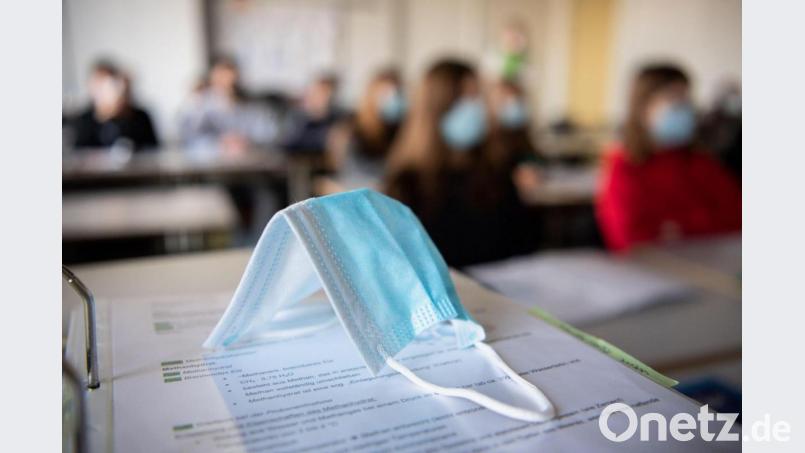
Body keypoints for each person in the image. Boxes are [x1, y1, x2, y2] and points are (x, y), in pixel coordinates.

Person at [383, 59, 533, 267]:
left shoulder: (495, 172)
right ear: (437, 106)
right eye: (464, 97)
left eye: (476, 96)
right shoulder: (405, 183)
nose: (474, 107)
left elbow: (520, 241)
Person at [595, 63, 741, 252]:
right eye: (674, 100)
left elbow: (738, 217)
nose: (686, 109)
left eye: (687, 100)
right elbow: (629, 240)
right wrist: (704, 223)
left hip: (711, 264)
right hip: (651, 274)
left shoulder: (701, 162)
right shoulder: (625, 165)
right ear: (643, 107)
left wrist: (680, 228)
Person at [179, 55, 277, 154]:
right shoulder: (200, 105)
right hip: (212, 161)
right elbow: (189, 139)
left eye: (228, 75)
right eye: (220, 75)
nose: (225, 81)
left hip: (247, 158)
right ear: (211, 77)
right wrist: (219, 142)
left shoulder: (250, 105)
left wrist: (245, 140)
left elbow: (267, 134)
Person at [328, 68, 406, 184]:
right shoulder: (352, 129)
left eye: (397, 93)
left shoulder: (403, 128)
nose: (392, 99)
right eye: (386, 94)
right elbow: (351, 173)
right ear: (372, 95)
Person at [71, 60, 159, 151]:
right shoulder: (83, 120)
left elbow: (152, 153)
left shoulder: (140, 117)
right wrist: (103, 116)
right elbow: (78, 155)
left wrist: (124, 115)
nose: (102, 91)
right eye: (98, 85)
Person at [490, 79, 546, 198]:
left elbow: (534, 160)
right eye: (506, 98)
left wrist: (532, 169)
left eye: (516, 99)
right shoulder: (487, 138)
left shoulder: (521, 135)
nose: (512, 104)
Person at [280, 73, 343, 153]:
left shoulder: (337, 121)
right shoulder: (300, 116)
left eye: (323, 93)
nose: (316, 97)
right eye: (315, 92)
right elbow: (287, 144)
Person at [701, 82, 741, 181]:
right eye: (729, 94)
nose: (733, 99)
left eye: (736, 94)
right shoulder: (710, 119)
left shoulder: (739, 120)